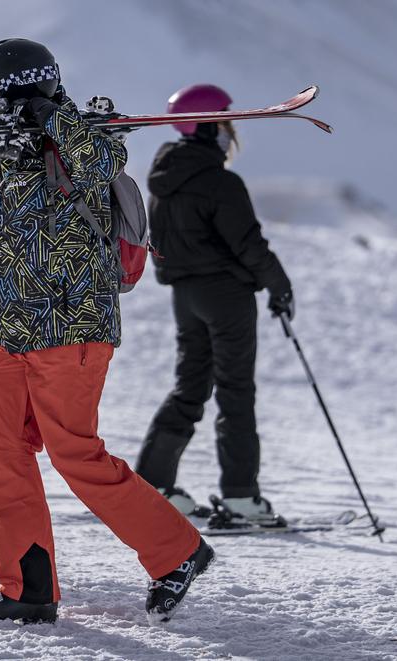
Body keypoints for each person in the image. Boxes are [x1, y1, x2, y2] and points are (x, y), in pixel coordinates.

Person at [0, 39, 214, 626]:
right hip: (16, 332)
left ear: (26, 87)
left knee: (76, 454)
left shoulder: (76, 143)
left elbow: (105, 161)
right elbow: (25, 249)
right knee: (0, 457)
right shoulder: (8, 164)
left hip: (72, 329)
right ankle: (29, 589)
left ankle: (178, 552)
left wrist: (51, 115)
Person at [135, 84, 294, 524]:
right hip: (226, 296)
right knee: (235, 390)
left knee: (190, 387)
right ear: (208, 128)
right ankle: (241, 497)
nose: (231, 132)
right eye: (225, 122)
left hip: (186, 298)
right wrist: (278, 286)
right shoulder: (221, 183)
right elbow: (248, 244)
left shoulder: (163, 183)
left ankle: (154, 484)